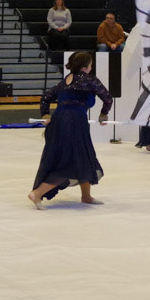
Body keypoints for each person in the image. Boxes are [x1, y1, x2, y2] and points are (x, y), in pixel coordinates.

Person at [29, 51, 111, 209]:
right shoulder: (89, 79)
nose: (91, 68)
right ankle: (37, 193)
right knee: (69, 161)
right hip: (75, 121)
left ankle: (86, 196)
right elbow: (107, 98)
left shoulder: (65, 81)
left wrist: (46, 114)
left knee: (82, 156)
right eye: (90, 65)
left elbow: (46, 97)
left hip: (59, 120)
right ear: (85, 67)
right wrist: (103, 114)